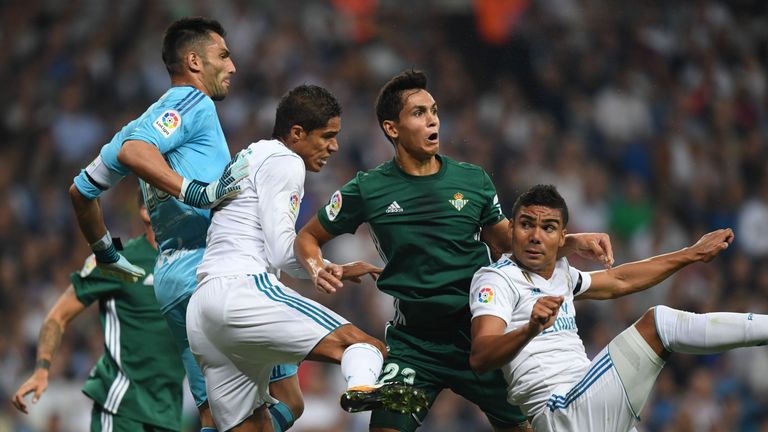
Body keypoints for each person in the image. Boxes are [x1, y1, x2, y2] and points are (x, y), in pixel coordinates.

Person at [294, 69, 614, 431]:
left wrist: (571, 242)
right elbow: (307, 237)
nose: (433, 120)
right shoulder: (368, 189)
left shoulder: (472, 180)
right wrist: (318, 268)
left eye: (434, 111)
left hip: (477, 338)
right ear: (392, 128)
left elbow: (509, 241)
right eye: (419, 113)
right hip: (415, 344)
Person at [68, 17, 301, 432]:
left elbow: (80, 193)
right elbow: (138, 152)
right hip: (216, 269)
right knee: (284, 402)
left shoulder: (132, 127)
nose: (233, 66)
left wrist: (106, 252)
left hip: (173, 279)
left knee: (219, 414)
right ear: (194, 61)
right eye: (224, 56)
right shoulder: (193, 103)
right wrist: (196, 191)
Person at [187, 84, 428, 432]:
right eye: (327, 136)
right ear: (297, 133)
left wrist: (333, 268)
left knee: (255, 426)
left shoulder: (251, 156)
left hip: (204, 310)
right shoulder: (286, 161)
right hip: (242, 291)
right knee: (365, 347)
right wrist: (322, 268)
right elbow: (284, 252)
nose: (334, 146)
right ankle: (362, 389)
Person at [468, 184, 767, 431]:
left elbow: (619, 279)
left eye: (547, 227)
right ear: (512, 231)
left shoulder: (561, 272)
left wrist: (692, 253)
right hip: (561, 411)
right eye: (526, 224)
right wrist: (529, 330)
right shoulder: (496, 279)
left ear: (562, 237)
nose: (535, 235)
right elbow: (481, 356)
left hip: (591, 407)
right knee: (658, 324)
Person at [11, 193, 186, 432]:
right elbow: (57, 316)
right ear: (146, 211)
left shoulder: (190, 265)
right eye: (168, 197)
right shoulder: (117, 259)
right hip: (122, 410)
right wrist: (42, 369)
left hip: (169, 414)